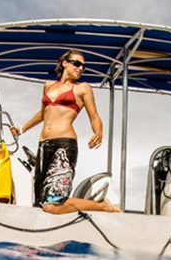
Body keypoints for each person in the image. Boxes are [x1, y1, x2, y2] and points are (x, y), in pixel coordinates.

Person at [10, 50, 120, 214]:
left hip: (64, 145)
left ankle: (103, 206)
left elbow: (94, 116)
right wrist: (22, 128)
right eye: (77, 63)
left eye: (83, 66)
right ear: (65, 63)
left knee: (52, 205)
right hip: (43, 145)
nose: (81, 68)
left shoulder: (82, 89)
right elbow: (43, 113)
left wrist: (99, 132)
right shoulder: (48, 86)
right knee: (40, 202)